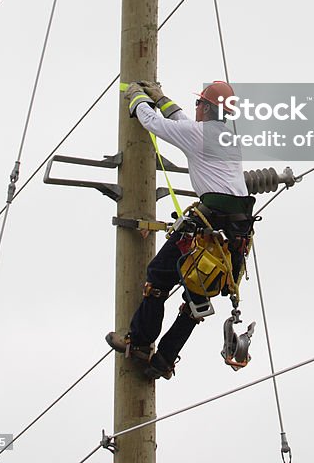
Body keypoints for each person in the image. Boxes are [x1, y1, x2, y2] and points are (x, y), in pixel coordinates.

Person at [106, 79, 255, 380]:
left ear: (208, 108)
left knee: (158, 278)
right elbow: (182, 122)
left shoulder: (198, 135)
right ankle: (163, 359)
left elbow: (153, 123)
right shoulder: (226, 138)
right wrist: (162, 97)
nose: (195, 107)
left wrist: (136, 98)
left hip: (206, 229)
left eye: (199, 103)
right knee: (196, 298)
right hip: (234, 239)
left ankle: (139, 344)